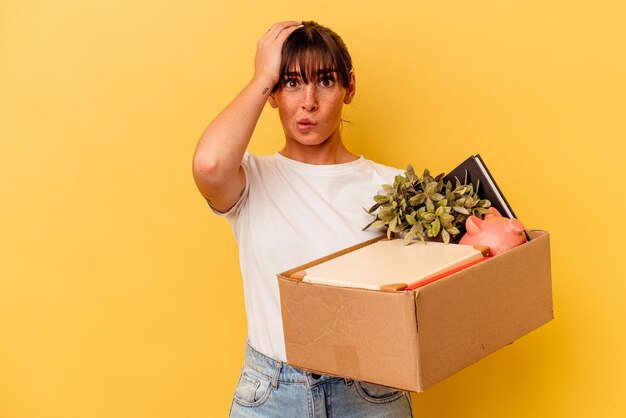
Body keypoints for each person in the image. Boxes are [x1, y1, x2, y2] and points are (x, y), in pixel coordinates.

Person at [193, 20, 413, 417]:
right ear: (274, 94)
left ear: (349, 88)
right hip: (271, 394)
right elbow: (208, 166)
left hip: (369, 393)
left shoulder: (394, 186)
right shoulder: (250, 180)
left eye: (325, 81)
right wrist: (263, 74)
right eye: (292, 83)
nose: (308, 101)